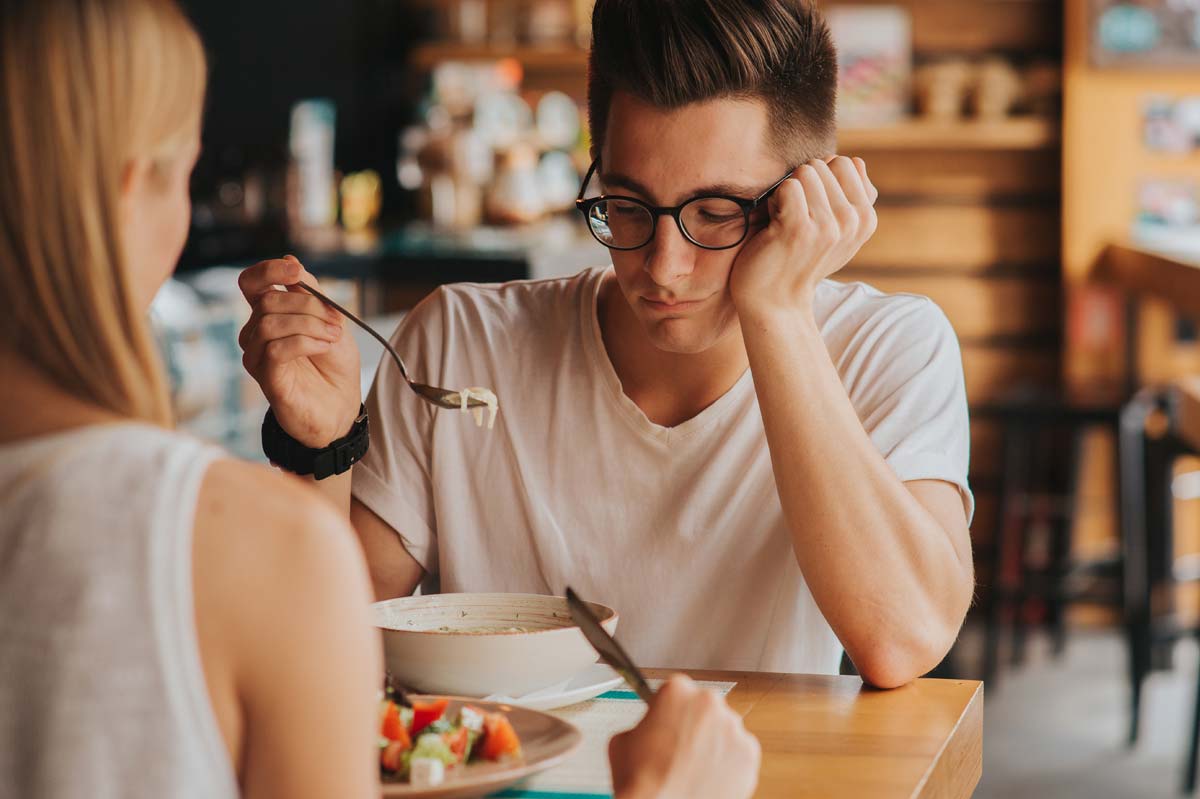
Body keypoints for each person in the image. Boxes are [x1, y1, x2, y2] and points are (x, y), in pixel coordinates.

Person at [0, 1, 759, 798]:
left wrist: (324, 444)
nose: (667, 266)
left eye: (715, 211)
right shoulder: (239, 546)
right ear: (131, 192)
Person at [239, 0, 973, 690]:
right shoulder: (459, 342)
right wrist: (321, 445)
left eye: (715, 214)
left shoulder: (885, 348)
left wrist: (777, 311)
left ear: (802, 203)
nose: (661, 266)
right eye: (624, 206)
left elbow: (901, 638)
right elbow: (324, 650)